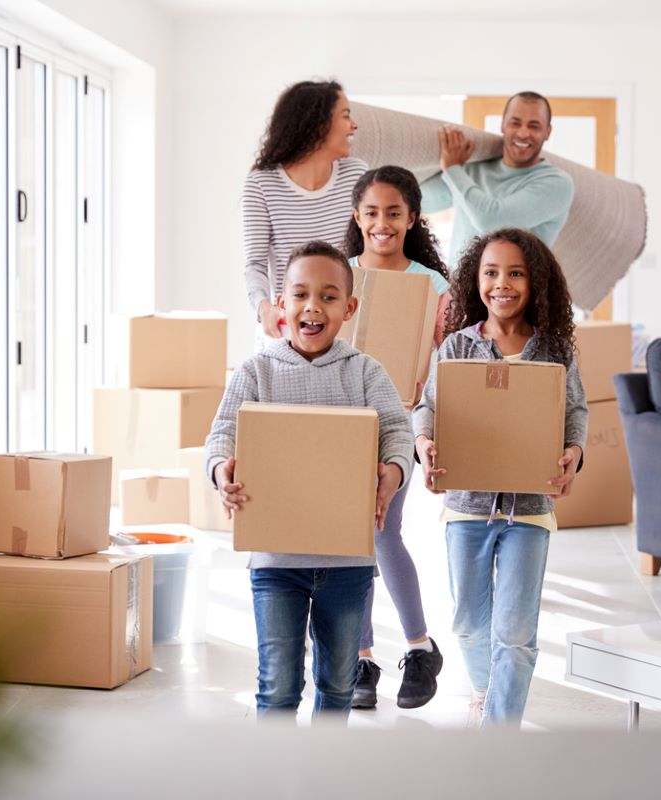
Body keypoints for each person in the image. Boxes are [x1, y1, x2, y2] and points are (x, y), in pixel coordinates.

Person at [205, 241, 413, 720]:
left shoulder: (365, 372)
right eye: (299, 294)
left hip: (347, 564)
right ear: (281, 303)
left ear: (349, 307)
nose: (312, 306)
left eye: (328, 296)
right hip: (276, 561)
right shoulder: (256, 372)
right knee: (277, 686)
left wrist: (394, 472)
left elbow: (397, 431)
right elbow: (220, 436)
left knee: (338, 686)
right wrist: (222, 471)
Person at [411, 228, 588, 728]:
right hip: (466, 507)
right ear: (476, 280)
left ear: (536, 283)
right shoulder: (457, 348)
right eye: (491, 273)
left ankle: (499, 732)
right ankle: (486, 690)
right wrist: (425, 445)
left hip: (529, 509)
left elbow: (574, 411)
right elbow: (429, 409)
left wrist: (573, 451)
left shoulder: (553, 350)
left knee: (514, 632)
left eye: (516, 273)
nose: (502, 284)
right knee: (470, 624)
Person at [341, 165, 450, 710]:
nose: (381, 223)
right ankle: (361, 659)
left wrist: (431, 432)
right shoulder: (338, 275)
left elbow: (449, 363)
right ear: (356, 217)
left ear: (412, 218)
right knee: (352, 539)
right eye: (371, 212)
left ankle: (418, 647)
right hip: (338, 425)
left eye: (393, 213)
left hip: (400, 424)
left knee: (382, 530)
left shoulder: (432, 286)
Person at [242, 80, 367, 345]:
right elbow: (254, 264)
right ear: (318, 124)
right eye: (346, 116)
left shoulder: (357, 174)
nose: (354, 125)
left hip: (341, 327)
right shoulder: (262, 183)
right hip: (287, 327)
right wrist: (265, 308)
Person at [420, 92, 575, 265]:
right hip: (459, 289)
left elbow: (492, 223)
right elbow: (421, 201)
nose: (523, 133)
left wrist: (452, 168)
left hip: (512, 290)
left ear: (547, 132)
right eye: (515, 123)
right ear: (503, 125)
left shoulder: (557, 184)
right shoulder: (473, 168)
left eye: (534, 126)